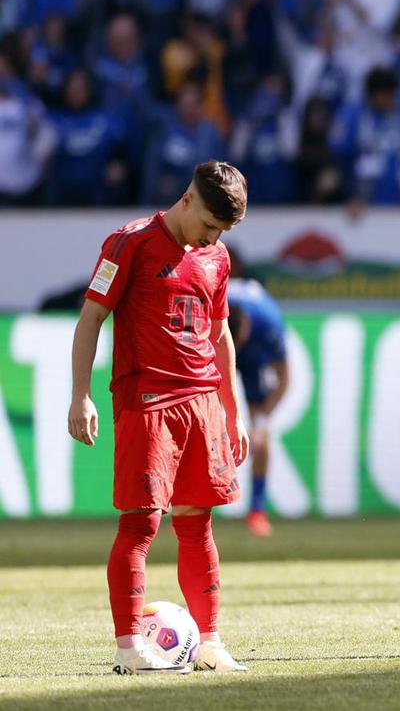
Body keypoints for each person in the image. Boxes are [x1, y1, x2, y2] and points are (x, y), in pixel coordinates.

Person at [66, 161, 250, 674]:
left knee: (197, 524)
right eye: (210, 225)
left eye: (222, 232)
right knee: (142, 523)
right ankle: (129, 649)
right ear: (188, 200)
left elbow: (220, 334)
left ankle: (209, 642)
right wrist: (81, 396)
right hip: (147, 401)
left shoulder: (217, 257)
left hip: (202, 403)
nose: (213, 237)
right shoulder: (130, 243)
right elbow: (90, 321)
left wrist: (231, 408)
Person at [227, 277, 290, 537]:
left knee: (261, 438)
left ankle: (257, 511)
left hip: (253, 363)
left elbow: (284, 380)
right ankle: (189, 508)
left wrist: (262, 422)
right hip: (214, 350)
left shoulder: (269, 323)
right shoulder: (205, 310)